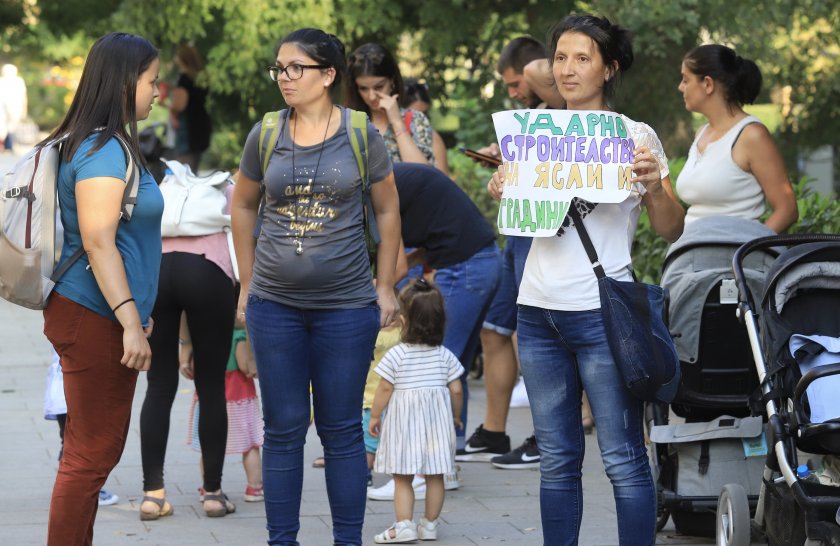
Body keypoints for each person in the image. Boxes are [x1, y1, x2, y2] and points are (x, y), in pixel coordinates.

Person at [488, 14, 685, 544]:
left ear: (608, 68)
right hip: (535, 313)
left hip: (603, 314)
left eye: (582, 58)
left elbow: (670, 228)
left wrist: (654, 187)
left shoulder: (632, 135)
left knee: (622, 457)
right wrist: (504, 190)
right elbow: (523, 218)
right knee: (555, 460)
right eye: (560, 57)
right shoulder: (534, 136)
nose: (568, 69)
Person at [230, 28, 401, 545]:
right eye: (279, 68)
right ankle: (282, 541)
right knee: (282, 431)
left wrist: (386, 284)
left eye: (295, 68)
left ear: (328, 75)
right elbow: (241, 205)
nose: (284, 78)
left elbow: (389, 209)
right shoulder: (265, 132)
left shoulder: (358, 132)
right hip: (274, 305)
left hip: (346, 307)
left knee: (343, 431)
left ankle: (347, 540)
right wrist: (246, 282)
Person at [41, 32, 162, 546]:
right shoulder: (102, 148)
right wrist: (131, 320)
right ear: (124, 82)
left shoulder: (99, 142)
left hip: (98, 313)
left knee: (91, 453)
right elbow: (97, 240)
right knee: (91, 456)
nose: (158, 91)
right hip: (95, 315)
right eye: (152, 80)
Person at [367, 162, 500, 500]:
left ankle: (425, 471)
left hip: (466, 269)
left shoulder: (379, 187)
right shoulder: (394, 177)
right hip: (481, 262)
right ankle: (446, 466)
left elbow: (393, 267)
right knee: (451, 368)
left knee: (431, 370)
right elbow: (428, 241)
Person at [459, 36, 549, 467]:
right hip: (515, 231)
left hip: (541, 235)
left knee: (531, 336)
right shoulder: (532, 114)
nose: (514, 91)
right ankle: (494, 431)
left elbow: (537, 72)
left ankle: (545, 436)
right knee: (494, 329)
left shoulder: (561, 106)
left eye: (516, 82)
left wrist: (536, 65)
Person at [138, 172, 236, 520]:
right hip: (210, 271)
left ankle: (153, 494)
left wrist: (183, 343)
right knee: (211, 388)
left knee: (159, 386)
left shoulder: (167, 184)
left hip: (160, 269)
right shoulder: (226, 189)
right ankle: (212, 493)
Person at [369, 279, 464, 543]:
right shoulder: (443, 354)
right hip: (436, 426)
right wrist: (456, 416)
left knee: (402, 478)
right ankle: (430, 525)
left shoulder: (397, 355)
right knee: (435, 476)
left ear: (403, 319)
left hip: (404, 426)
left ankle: (404, 526)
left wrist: (375, 415)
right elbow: (456, 389)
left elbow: (385, 389)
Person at [676, 44, 797, 233]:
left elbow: (787, 209)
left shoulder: (752, 135)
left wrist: (748, 251)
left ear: (708, 84)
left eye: (685, 80)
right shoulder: (701, 133)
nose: (680, 87)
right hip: (690, 254)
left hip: (734, 255)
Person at [184, 307, 264, 504]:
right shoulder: (238, 336)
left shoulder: (204, 335)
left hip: (209, 397)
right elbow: (245, 366)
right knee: (250, 445)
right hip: (238, 398)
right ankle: (254, 488)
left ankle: (207, 487)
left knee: (208, 445)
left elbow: (194, 369)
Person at [43, 349, 120, 507]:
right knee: (81, 445)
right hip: (73, 391)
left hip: (64, 391)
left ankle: (68, 489)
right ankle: (79, 489)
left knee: (70, 443)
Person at [346, 42, 435, 165]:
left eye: (379, 86)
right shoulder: (345, 124)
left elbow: (422, 175)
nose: (371, 96)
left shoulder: (415, 120)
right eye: (363, 88)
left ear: (392, 81)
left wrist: (397, 123)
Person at [169, 44, 212, 171]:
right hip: (200, 127)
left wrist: (170, 107)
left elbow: (180, 105)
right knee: (193, 168)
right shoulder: (200, 78)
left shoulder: (184, 79)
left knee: (185, 172)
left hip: (188, 130)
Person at [403, 78, 449, 175]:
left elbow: (444, 180)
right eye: (414, 114)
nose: (420, 119)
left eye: (424, 113)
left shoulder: (432, 136)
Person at [0, 63, 28, 151]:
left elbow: (23, 96)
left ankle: (8, 145)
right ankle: (6, 145)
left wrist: (24, 109)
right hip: (5, 108)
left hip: (15, 107)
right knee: (4, 127)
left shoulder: (18, 81)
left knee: (11, 127)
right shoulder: (3, 81)